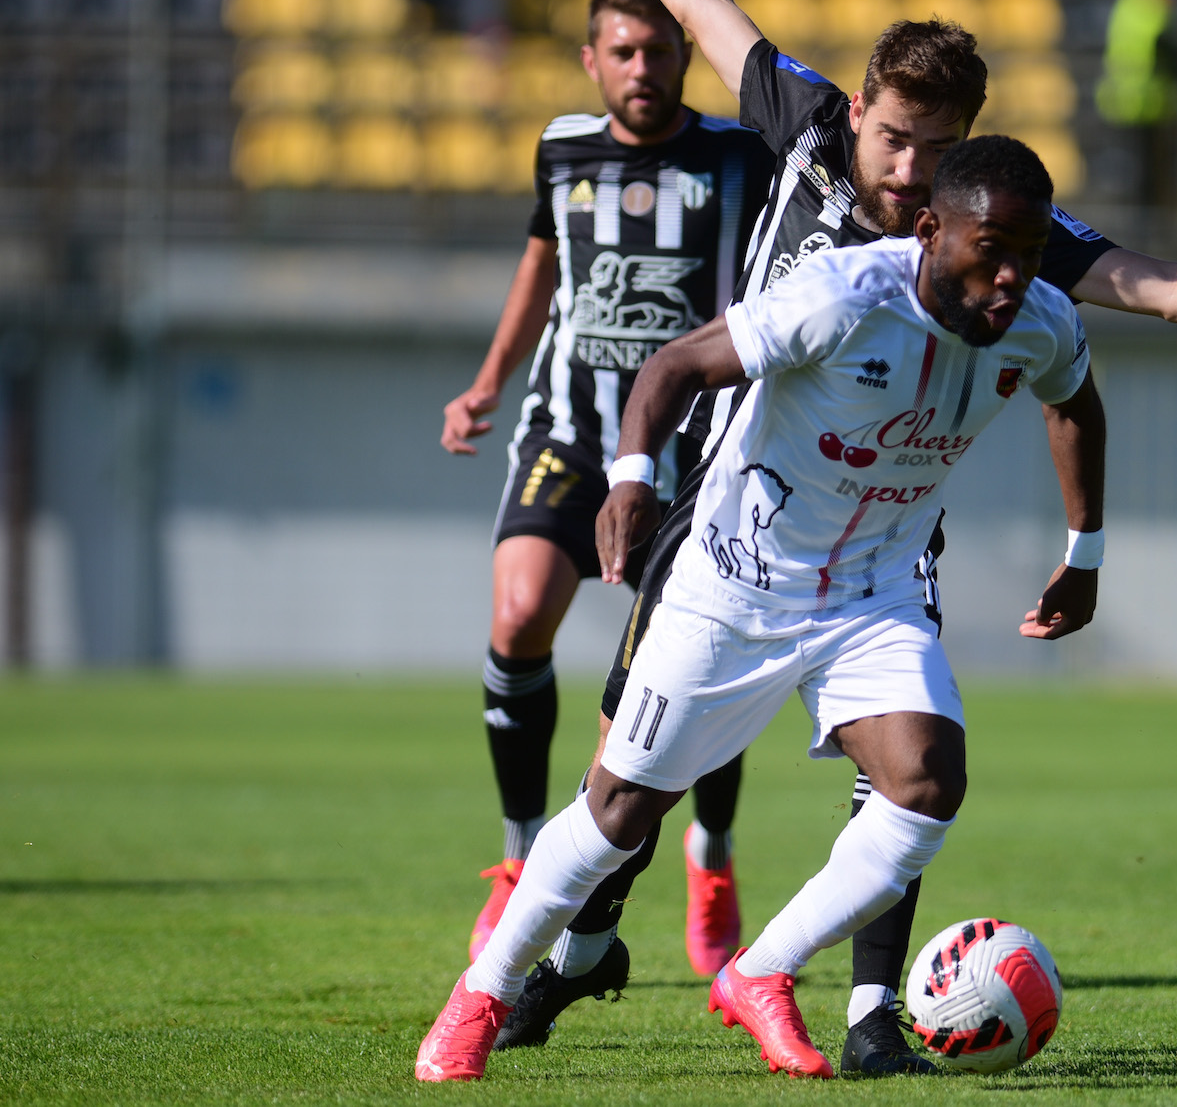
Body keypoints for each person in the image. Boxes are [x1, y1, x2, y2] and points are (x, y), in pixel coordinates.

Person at [490, 0, 1177, 1076]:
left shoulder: (990, 228)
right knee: (626, 775)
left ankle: (868, 1015)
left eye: (937, 149)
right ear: (859, 110)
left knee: (900, 774)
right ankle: (582, 952)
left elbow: (1165, 286)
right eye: (897, 140)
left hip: (884, 532)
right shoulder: (802, 125)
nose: (910, 174)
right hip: (727, 510)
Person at [416, 133, 1108, 1082]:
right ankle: (481, 993)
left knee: (925, 781)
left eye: (1029, 255)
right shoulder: (841, 295)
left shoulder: (1041, 320)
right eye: (992, 252)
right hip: (737, 581)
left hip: (873, 591)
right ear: (929, 230)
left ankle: (761, 971)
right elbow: (673, 366)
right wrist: (630, 478)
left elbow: (1074, 404)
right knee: (620, 809)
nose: (1011, 279)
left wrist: (1084, 553)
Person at [437, 0, 774, 993]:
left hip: (693, 444)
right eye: (623, 51)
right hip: (570, 433)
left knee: (696, 661)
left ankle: (712, 857)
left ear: (683, 57)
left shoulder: (737, 155)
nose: (642, 67)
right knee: (517, 614)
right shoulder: (562, 148)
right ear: (592, 61)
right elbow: (540, 267)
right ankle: (520, 856)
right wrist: (487, 381)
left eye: (659, 49)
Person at [1095, 0, 1177, 212]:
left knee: (1137, 172)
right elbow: (1168, 50)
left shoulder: (1126, 5)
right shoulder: (1152, 6)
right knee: (1152, 173)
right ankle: (1152, 222)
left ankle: (1141, 219)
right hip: (1150, 101)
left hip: (1125, 98)